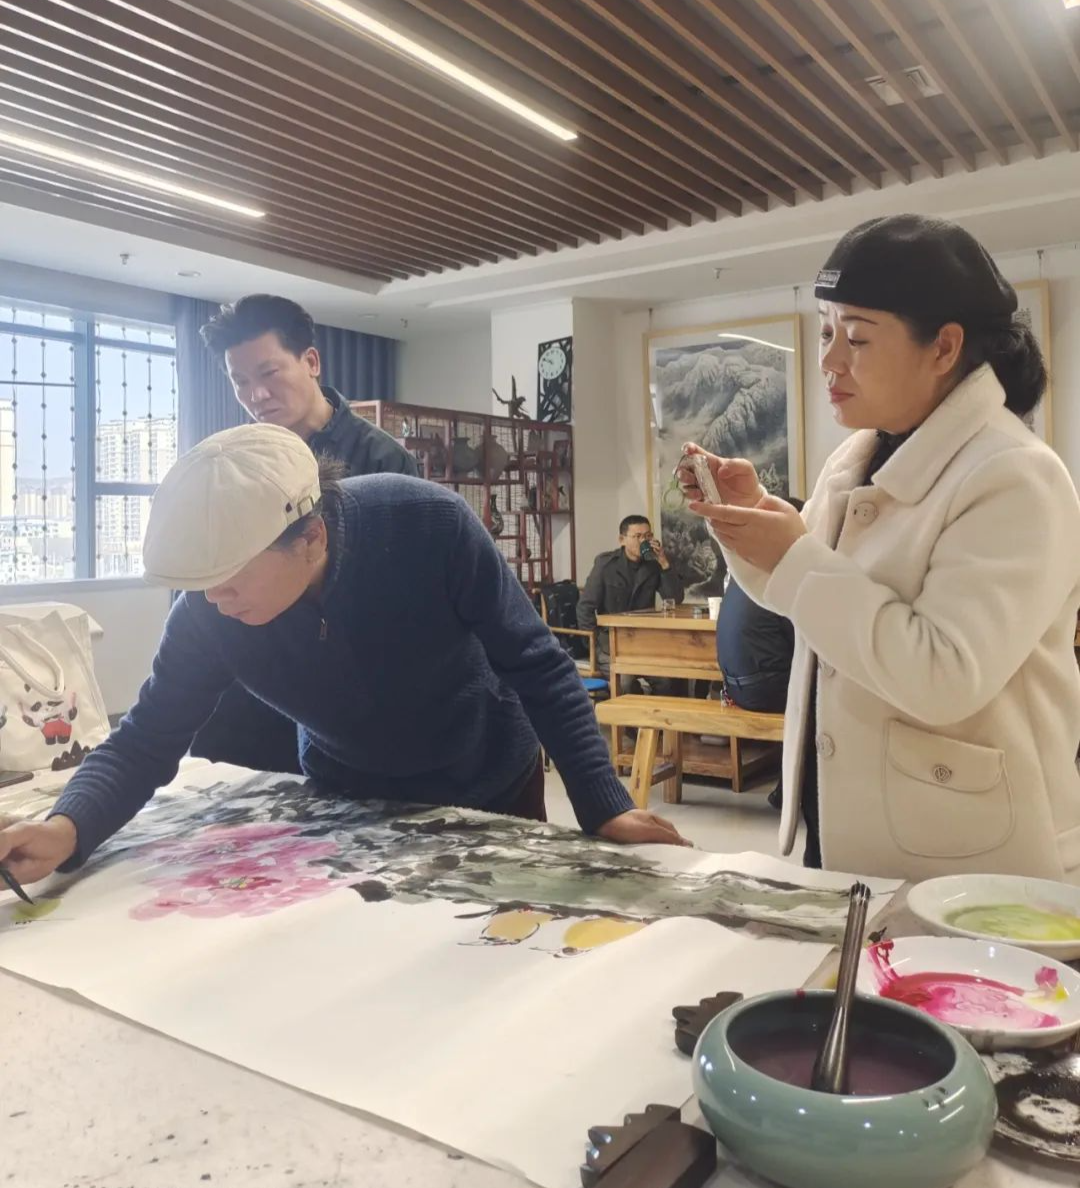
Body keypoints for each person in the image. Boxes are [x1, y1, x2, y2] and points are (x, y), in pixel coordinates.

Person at [0, 425, 686, 884]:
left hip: (488, 779)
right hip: (349, 796)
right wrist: (67, 826)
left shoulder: (429, 525)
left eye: (230, 579)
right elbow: (147, 736)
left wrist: (603, 805)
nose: (214, 601)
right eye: (199, 585)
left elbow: (538, 665)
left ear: (311, 539)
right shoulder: (209, 611)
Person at [679, 213, 1080, 882]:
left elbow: (944, 675)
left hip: (968, 856)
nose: (830, 360)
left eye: (858, 338)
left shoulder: (1015, 476)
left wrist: (795, 555)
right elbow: (808, 603)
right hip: (848, 823)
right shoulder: (856, 457)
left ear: (944, 348)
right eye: (826, 331)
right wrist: (751, 520)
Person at [192, 295, 417, 774]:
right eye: (240, 381)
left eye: (269, 373)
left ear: (311, 361)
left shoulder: (382, 460)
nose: (256, 395)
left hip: (342, 686)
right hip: (253, 682)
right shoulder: (237, 462)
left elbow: (395, 593)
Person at [715, 497, 804, 810]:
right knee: (821, 699)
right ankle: (790, 789)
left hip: (733, 687)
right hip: (760, 690)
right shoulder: (782, 570)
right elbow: (804, 640)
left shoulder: (744, 569)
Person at [577, 516, 685, 694]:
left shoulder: (653, 564)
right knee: (625, 682)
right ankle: (631, 711)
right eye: (638, 536)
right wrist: (594, 645)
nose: (643, 541)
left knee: (667, 679)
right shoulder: (606, 565)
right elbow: (585, 607)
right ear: (622, 539)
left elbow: (675, 598)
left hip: (642, 640)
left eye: (648, 536)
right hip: (611, 642)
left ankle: (656, 713)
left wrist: (664, 563)